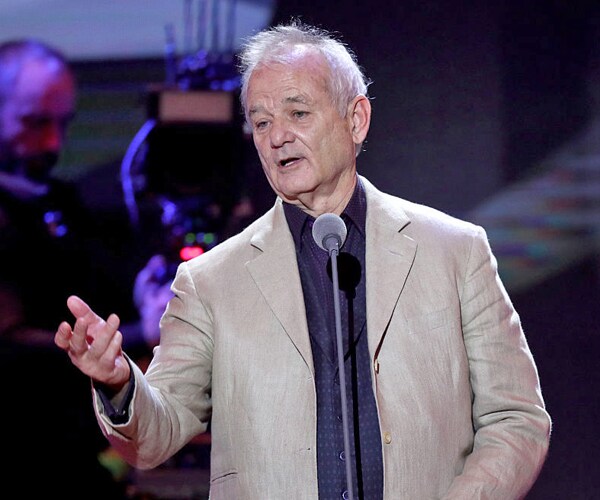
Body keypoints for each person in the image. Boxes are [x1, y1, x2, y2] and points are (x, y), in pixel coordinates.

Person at [54, 21, 552, 499]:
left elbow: (516, 418)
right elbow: (156, 434)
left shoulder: (455, 250)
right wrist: (119, 382)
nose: (276, 138)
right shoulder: (209, 282)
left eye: (298, 113)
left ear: (356, 119)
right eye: (262, 122)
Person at [0, 39, 128, 497]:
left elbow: (112, 298)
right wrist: (125, 338)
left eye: (62, 123)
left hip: (72, 459)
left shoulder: (67, 204)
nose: (53, 142)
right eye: (34, 123)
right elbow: (10, 343)